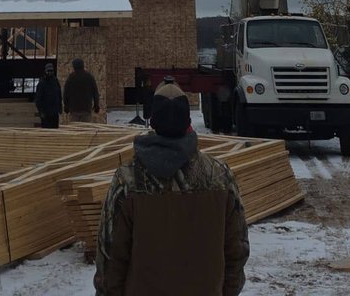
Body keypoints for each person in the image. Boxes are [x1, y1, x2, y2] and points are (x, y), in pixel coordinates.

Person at [94, 81, 249, 296]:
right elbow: (237, 251)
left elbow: (110, 256)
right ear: (188, 123)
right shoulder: (219, 176)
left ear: (153, 122)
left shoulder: (128, 181)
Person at [63, 57, 100, 123]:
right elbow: (95, 93)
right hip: (86, 109)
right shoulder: (89, 77)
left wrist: (66, 106)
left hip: (74, 109)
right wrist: (96, 105)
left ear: (74, 66)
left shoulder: (71, 78)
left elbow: (66, 93)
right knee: (85, 128)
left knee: (75, 128)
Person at [34, 62, 62, 129]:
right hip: (46, 113)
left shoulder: (55, 81)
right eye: (48, 71)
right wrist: (41, 112)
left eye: (51, 71)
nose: (50, 73)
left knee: (55, 130)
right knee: (46, 131)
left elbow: (59, 95)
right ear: (45, 71)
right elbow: (38, 99)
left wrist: (60, 108)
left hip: (54, 113)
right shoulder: (42, 83)